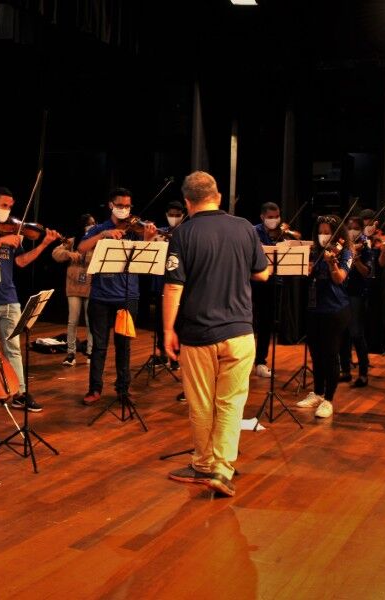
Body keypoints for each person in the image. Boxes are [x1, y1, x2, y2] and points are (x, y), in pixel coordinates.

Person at [162, 171, 271, 497]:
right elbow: (262, 273)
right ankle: (222, 469)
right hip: (240, 333)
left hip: (198, 334)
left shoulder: (183, 233)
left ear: (187, 202)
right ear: (218, 196)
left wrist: (168, 329)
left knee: (201, 404)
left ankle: (203, 464)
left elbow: (172, 286)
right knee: (231, 404)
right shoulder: (243, 228)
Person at [0, 187, 61, 412]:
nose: (8, 211)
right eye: (4, 206)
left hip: (9, 299)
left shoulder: (12, 230)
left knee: (13, 348)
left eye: (10, 207)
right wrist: (1, 241)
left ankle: (20, 393)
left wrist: (44, 244)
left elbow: (21, 262)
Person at [78, 188, 159, 406]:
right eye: (120, 205)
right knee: (99, 346)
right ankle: (95, 388)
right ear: (111, 205)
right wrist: (102, 236)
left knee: (124, 346)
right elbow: (81, 247)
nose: (124, 209)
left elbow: (146, 257)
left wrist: (149, 237)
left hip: (127, 296)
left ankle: (123, 389)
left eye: (128, 206)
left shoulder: (135, 230)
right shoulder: (100, 228)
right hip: (101, 296)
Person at [296, 216, 352, 418]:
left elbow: (339, 279)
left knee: (330, 354)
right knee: (315, 353)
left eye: (327, 232)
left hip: (335, 310)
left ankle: (329, 399)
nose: (323, 235)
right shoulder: (314, 251)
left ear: (336, 233)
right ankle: (318, 392)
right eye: (321, 231)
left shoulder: (344, 252)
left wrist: (332, 264)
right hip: (314, 308)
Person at [251, 201, 301, 378]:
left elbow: (298, 238)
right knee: (249, 323)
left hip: (273, 284)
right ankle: (244, 359)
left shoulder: (283, 233)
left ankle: (260, 362)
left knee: (266, 323)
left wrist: (286, 232)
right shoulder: (253, 231)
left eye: (276, 216)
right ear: (262, 217)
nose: (274, 220)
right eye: (270, 217)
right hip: (252, 282)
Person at [51, 213, 95, 366]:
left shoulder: (97, 242)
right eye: (89, 224)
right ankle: (71, 353)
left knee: (91, 321)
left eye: (94, 223)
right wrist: (68, 254)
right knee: (72, 321)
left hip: (90, 285)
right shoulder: (72, 241)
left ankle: (90, 352)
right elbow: (55, 253)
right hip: (74, 286)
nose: (93, 226)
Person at [338, 214, 375, 387]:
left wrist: (356, 259)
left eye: (355, 228)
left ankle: (363, 373)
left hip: (357, 294)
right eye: (349, 228)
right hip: (342, 293)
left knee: (356, 333)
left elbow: (367, 272)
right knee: (343, 333)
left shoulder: (365, 247)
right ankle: (345, 370)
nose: (352, 231)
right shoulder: (343, 246)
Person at [149, 201, 187, 370]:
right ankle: (162, 353)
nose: (174, 218)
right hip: (160, 282)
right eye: (171, 214)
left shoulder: (186, 232)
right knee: (159, 320)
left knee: (178, 321)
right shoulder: (160, 232)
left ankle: (176, 357)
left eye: (177, 215)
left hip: (180, 284)